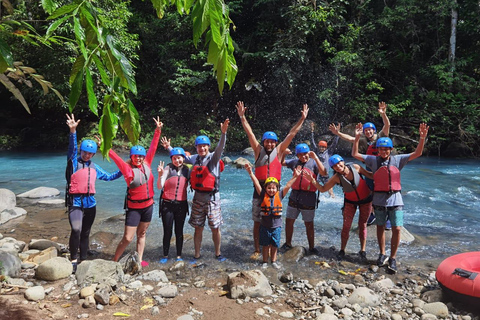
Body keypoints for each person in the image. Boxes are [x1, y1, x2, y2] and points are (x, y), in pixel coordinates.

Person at [352, 122, 429, 273]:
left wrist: (422, 138)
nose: (384, 151)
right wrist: (356, 138)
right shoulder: (373, 160)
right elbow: (355, 154)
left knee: (397, 228)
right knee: (380, 227)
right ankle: (382, 254)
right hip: (379, 199)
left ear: (391, 149)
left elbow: (417, 153)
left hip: (396, 199)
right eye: (381, 149)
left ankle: (392, 258)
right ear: (378, 150)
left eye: (386, 149)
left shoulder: (398, 159)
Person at [236, 101, 309, 259]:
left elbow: (291, 134)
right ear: (263, 142)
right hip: (259, 188)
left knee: (274, 221)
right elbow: (250, 134)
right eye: (267, 141)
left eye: (272, 142)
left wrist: (302, 119)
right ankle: (257, 249)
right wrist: (242, 117)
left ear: (275, 143)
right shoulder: (257, 150)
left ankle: (273, 247)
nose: (269, 144)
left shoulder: (281, 150)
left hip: (274, 189)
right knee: (257, 221)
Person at [165, 119, 230, 262]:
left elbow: (220, 147)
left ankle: (218, 253)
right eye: (199, 146)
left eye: (204, 146)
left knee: (215, 227)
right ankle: (196, 254)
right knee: (198, 228)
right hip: (198, 198)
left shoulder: (214, 157)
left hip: (213, 198)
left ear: (208, 147)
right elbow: (180, 158)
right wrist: (169, 148)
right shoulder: (194, 159)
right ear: (196, 147)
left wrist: (223, 133)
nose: (202, 149)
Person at [65, 114, 122, 272]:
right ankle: (73, 258)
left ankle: (83, 258)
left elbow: (110, 177)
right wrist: (73, 131)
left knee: (86, 232)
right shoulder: (74, 163)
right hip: (75, 202)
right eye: (85, 152)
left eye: (90, 153)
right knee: (76, 229)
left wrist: (124, 170)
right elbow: (72, 149)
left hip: (91, 204)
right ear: (81, 151)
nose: (87, 155)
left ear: (93, 155)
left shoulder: (94, 168)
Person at [108, 117, 163, 267]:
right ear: (131, 157)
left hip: (148, 206)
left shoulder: (147, 163)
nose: (138, 158)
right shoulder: (127, 169)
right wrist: (105, 146)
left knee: (142, 234)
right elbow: (116, 158)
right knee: (127, 238)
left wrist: (157, 130)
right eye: (136, 156)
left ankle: (139, 261)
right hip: (134, 208)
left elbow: (153, 147)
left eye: (140, 156)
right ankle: (114, 261)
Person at [329, 101, 391, 227]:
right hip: (369, 169)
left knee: (385, 193)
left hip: (382, 169)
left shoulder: (380, 137)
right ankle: (373, 215)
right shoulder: (363, 140)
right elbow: (350, 138)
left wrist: (383, 114)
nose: (368, 132)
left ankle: (388, 218)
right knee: (371, 193)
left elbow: (387, 125)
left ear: (374, 130)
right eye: (366, 130)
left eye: (370, 130)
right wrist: (337, 133)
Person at [303, 154, 373, 262]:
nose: (338, 167)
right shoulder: (336, 178)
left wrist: (383, 173)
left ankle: (362, 250)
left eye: (339, 163)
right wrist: (312, 180)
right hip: (350, 202)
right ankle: (342, 250)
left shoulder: (356, 167)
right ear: (333, 169)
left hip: (366, 200)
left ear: (343, 161)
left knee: (362, 225)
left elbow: (370, 175)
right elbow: (322, 189)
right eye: (335, 166)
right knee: (346, 227)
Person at [245, 163, 300, 269]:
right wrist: (251, 173)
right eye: (269, 188)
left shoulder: (279, 195)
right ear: (265, 188)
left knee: (274, 245)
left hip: (276, 227)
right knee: (265, 245)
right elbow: (256, 183)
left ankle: (274, 261)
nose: (271, 190)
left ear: (277, 189)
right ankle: (265, 261)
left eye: (274, 188)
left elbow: (288, 185)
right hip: (265, 226)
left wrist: (295, 176)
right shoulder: (262, 194)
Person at [282, 143, 327, 254]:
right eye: (300, 155)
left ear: (309, 153)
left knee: (309, 224)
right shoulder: (294, 162)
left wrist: (315, 157)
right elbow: (281, 162)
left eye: (305, 154)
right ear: (297, 155)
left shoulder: (314, 163)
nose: (303, 157)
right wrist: (283, 153)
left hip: (309, 197)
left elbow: (324, 172)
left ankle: (311, 247)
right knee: (289, 221)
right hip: (294, 195)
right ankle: (288, 243)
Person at [157, 147, 191, 263]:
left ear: (183, 158)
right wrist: (160, 175)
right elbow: (160, 186)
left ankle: (178, 256)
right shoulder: (167, 168)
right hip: (167, 205)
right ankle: (165, 255)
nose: (177, 161)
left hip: (181, 205)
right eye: (175, 158)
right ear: (171, 159)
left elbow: (195, 184)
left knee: (179, 231)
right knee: (167, 231)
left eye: (179, 158)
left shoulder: (187, 170)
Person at [310, 121, 339, 198]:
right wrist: (312, 132)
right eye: (320, 146)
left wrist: (337, 134)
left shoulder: (328, 152)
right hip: (316, 172)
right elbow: (312, 142)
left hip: (324, 173)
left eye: (323, 147)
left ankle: (333, 197)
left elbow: (334, 144)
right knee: (314, 184)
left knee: (329, 186)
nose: (321, 148)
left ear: (326, 147)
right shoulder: (316, 151)